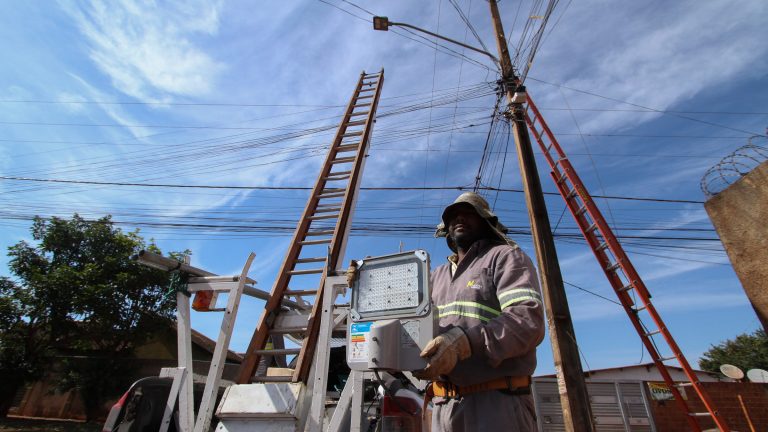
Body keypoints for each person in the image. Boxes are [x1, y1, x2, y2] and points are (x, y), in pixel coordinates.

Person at [415, 192, 545, 432]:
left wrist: (464, 342)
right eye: (453, 216)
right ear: (446, 229)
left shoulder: (504, 257)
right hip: (443, 406)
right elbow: (408, 318)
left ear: (486, 221)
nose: (459, 218)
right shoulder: (435, 276)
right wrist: (366, 283)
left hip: (496, 402)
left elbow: (527, 320)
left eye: (469, 213)